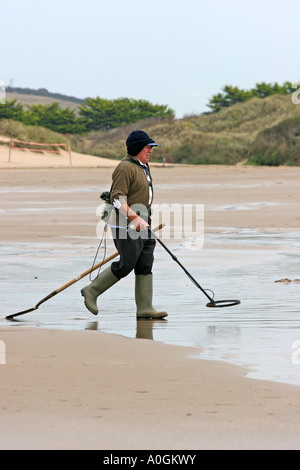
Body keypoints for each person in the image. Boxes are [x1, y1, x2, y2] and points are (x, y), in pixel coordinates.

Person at [81, 130, 168, 319]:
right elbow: (117, 199)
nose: (150, 150)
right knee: (127, 263)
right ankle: (92, 291)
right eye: (147, 147)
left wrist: (142, 218)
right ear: (137, 147)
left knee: (145, 262)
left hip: (143, 221)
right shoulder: (125, 168)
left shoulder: (143, 166)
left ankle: (145, 308)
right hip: (124, 224)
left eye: (151, 147)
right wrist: (134, 218)